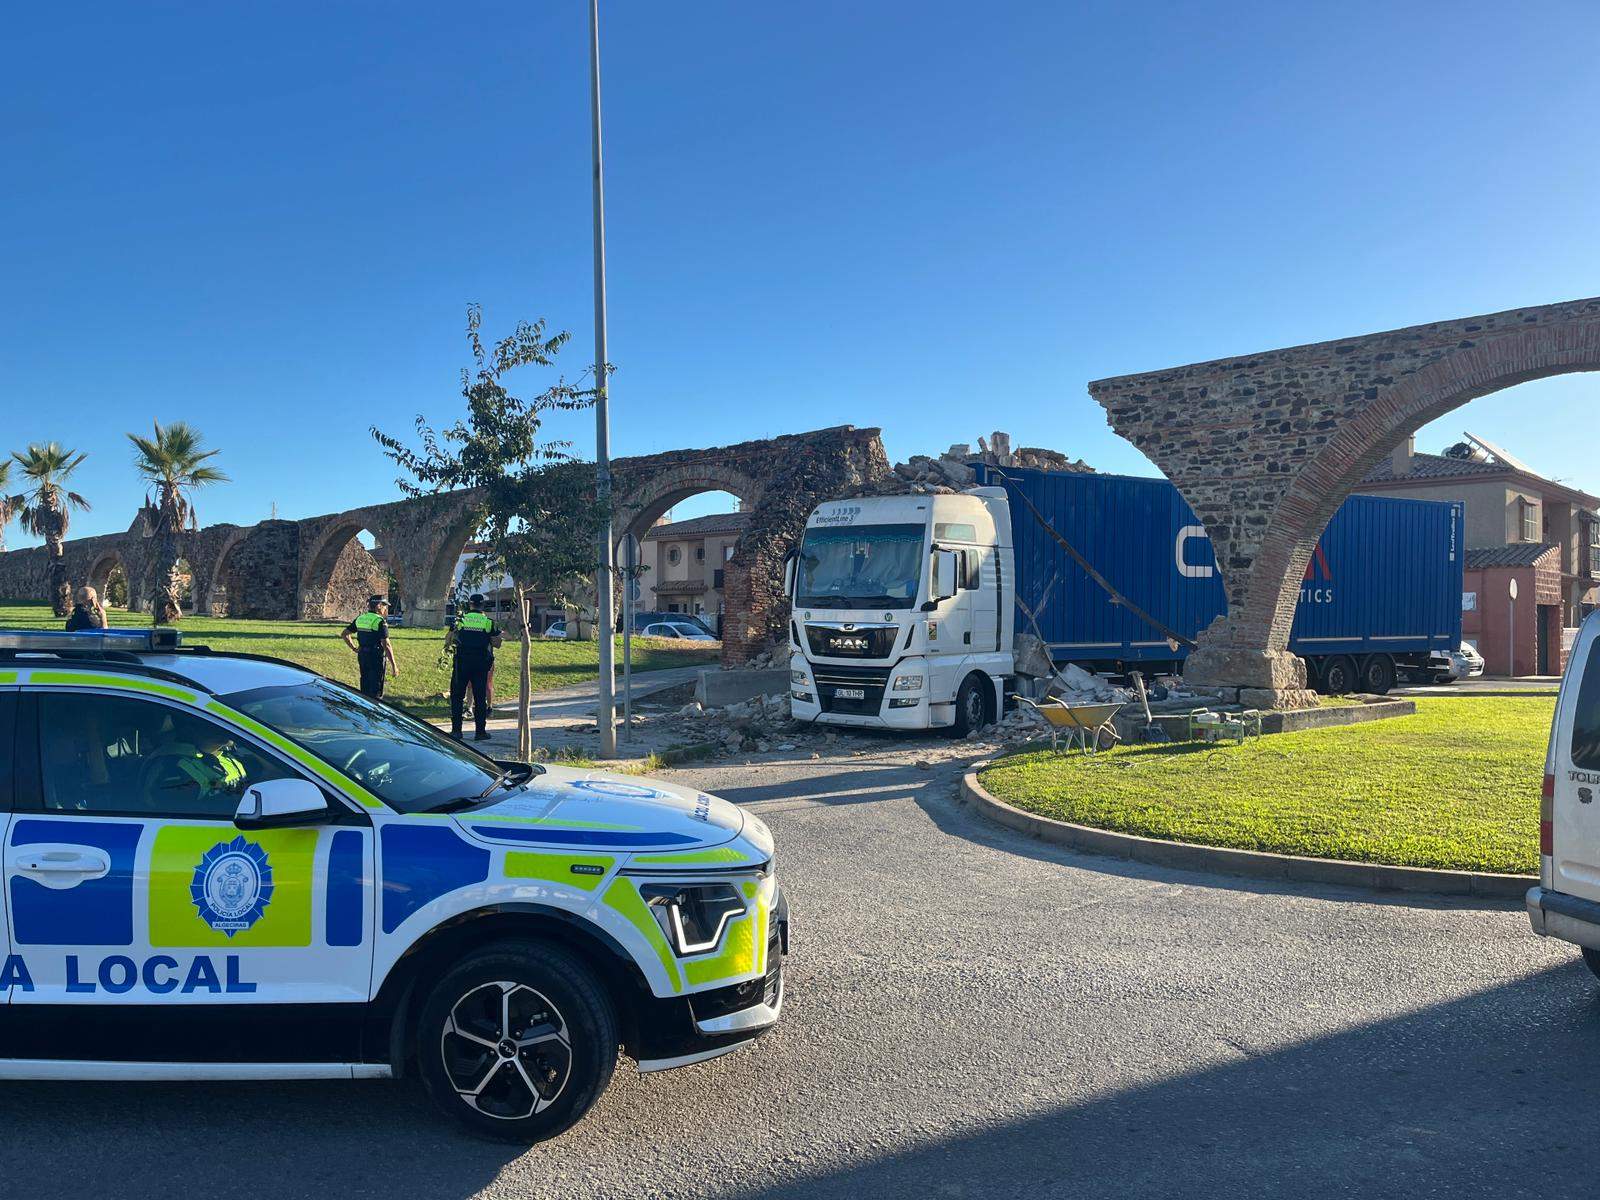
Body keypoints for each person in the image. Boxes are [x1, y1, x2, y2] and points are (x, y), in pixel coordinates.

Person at [445, 593, 501, 741]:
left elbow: (448, 639)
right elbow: (497, 643)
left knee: (457, 696)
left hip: (462, 663)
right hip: (480, 664)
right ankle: (480, 732)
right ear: (482, 605)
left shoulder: (460, 620)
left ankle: (456, 731)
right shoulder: (488, 622)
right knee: (480, 697)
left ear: (470, 605)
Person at [342, 595, 399, 700]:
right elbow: (386, 645)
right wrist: (394, 665)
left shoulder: (360, 618)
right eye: (384, 606)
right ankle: (375, 705)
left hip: (362, 655)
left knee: (365, 682)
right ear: (379, 606)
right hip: (375, 656)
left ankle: (364, 704)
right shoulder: (379, 621)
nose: (386, 608)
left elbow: (345, 634)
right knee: (376, 686)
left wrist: (354, 648)